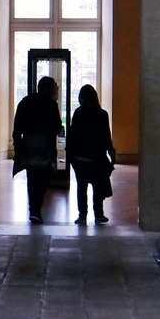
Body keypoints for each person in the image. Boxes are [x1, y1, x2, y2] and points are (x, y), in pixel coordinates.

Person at [12, 75, 63, 224]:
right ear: (47, 88)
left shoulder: (26, 102)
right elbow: (57, 126)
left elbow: (17, 128)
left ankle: (34, 209)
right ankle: (36, 208)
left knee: (32, 178)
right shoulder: (51, 104)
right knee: (42, 179)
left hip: (28, 147)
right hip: (46, 148)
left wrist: (18, 148)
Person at [68, 82, 115, 223]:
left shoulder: (78, 113)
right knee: (98, 186)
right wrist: (112, 154)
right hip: (97, 157)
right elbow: (107, 136)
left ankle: (82, 215)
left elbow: (73, 135)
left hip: (80, 157)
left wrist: (71, 155)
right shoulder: (102, 114)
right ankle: (98, 214)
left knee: (81, 186)